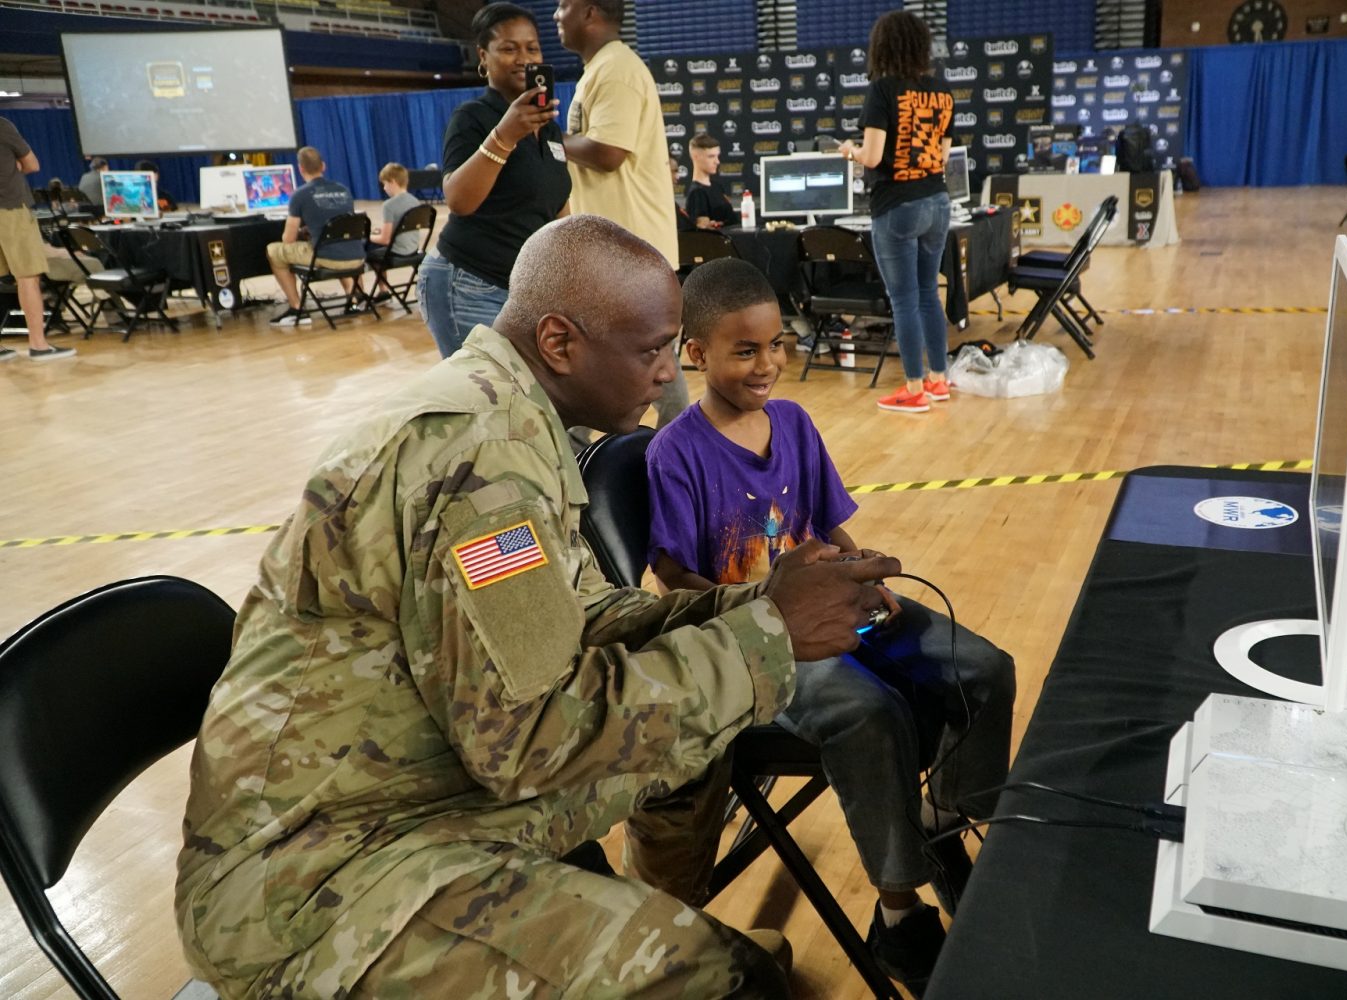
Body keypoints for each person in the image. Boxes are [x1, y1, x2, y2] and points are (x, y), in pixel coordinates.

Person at [175, 214, 899, 1000]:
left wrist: (758, 601)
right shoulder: (477, 462)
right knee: (716, 979)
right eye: (653, 349)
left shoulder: (514, 419)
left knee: (693, 740)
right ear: (560, 343)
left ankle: (661, 917)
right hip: (318, 875)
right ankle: (677, 948)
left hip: (423, 783)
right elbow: (531, 741)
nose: (667, 374)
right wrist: (768, 633)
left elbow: (584, 618)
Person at [645, 258, 1016, 995]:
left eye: (777, 345)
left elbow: (830, 526)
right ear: (697, 354)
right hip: (762, 638)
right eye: (745, 351)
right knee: (870, 713)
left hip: (835, 605)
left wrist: (862, 570)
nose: (768, 364)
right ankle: (899, 915)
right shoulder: (674, 452)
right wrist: (764, 607)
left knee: (984, 667)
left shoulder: (794, 421)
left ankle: (940, 822)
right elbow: (676, 578)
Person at [556, 0, 687, 427]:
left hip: (632, 252)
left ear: (591, 12)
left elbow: (609, 152)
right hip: (617, 253)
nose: (556, 14)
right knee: (637, 365)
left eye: (563, 4)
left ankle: (683, 459)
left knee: (655, 367)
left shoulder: (616, 69)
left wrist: (547, 140)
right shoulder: (600, 69)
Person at [416, 2, 568, 358]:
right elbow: (458, 199)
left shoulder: (549, 128)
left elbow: (558, 206)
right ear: (483, 56)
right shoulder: (473, 117)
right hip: (467, 282)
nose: (522, 58)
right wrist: (505, 135)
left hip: (521, 291)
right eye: (509, 48)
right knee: (482, 402)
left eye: (532, 48)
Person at [838, 10, 956, 415]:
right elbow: (942, 154)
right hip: (938, 202)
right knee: (928, 296)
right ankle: (939, 380)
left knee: (903, 300)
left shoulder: (882, 90)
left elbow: (871, 157)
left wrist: (849, 151)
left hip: (897, 206)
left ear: (881, 47)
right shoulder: (942, 90)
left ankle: (912, 388)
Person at [0, 116, 76, 361]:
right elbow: (32, 164)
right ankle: (38, 344)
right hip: (11, 208)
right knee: (28, 276)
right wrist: (14, 166)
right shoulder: (2, 125)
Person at [265, 146, 363, 327]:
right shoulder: (343, 189)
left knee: (274, 250)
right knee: (337, 242)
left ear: (301, 169)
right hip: (356, 257)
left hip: (328, 258)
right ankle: (353, 301)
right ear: (323, 166)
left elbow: (288, 239)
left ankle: (297, 308)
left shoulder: (300, 195)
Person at [363, 161, 422, 304]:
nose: (384, 188)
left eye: (384, 184)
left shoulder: (388, 205)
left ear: (393, 182)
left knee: (367, 247)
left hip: (397, 251)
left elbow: (385, 240)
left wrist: (367, 236)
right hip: (413, 248)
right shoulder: (415, 202)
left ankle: (382, 290)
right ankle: (383, 290)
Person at [685, 132, 737, 229]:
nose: (717, 162)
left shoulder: (717, 187)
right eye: (711, 156)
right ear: (696, 157)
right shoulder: (697, 193)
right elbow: (705, 234)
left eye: (717, 156)